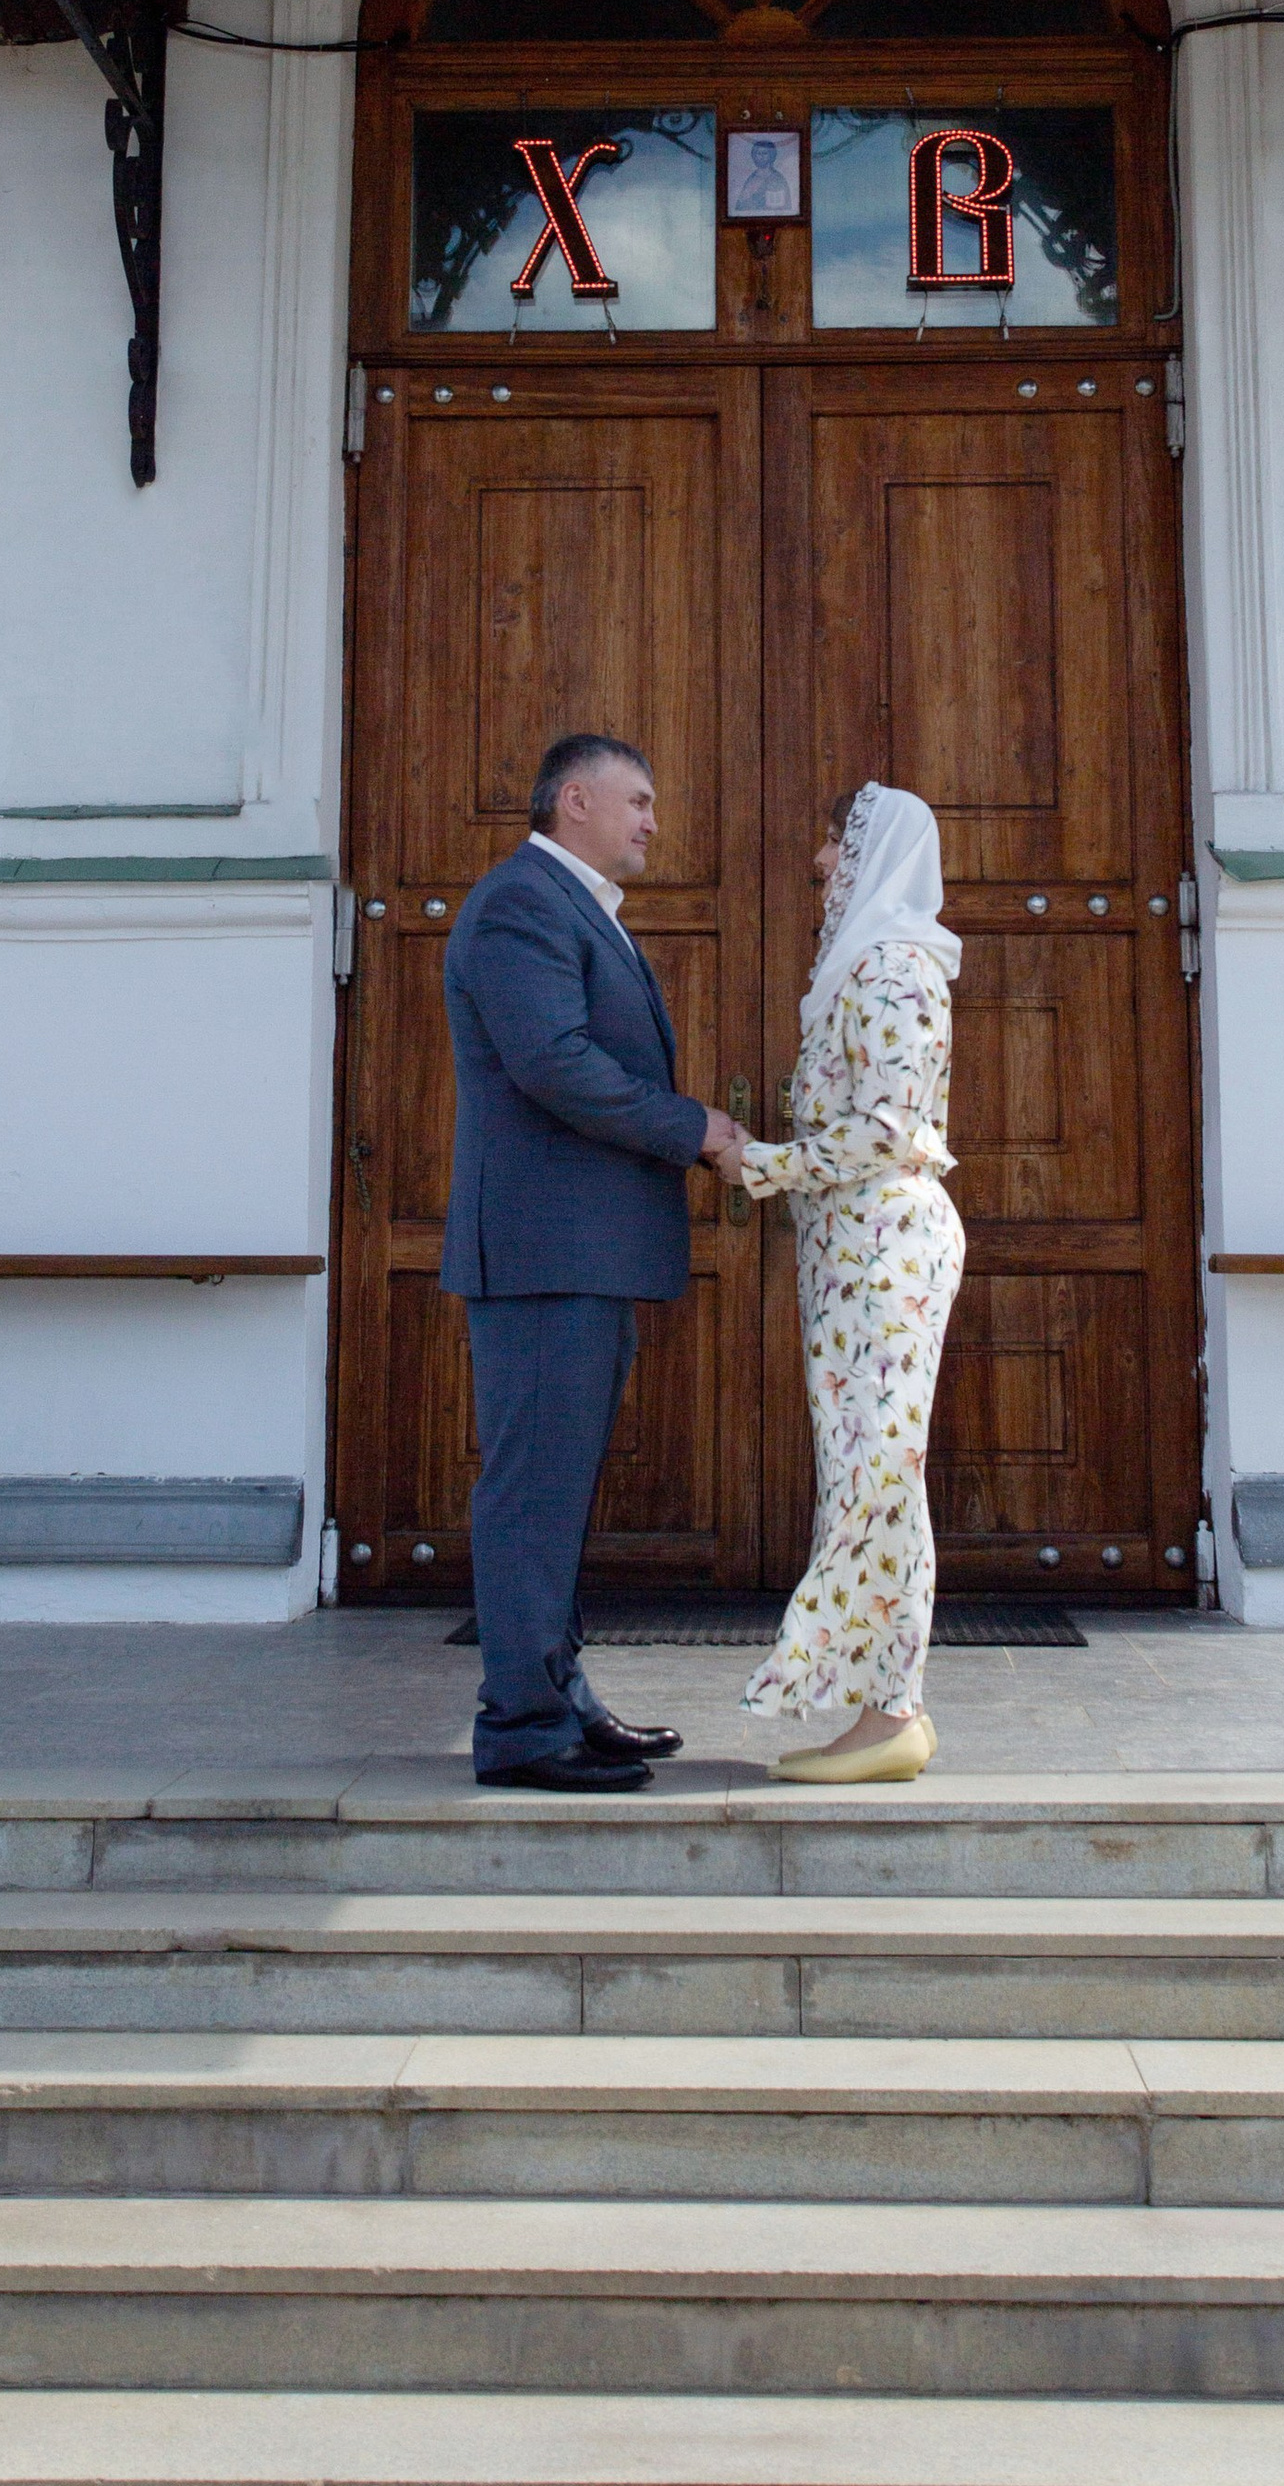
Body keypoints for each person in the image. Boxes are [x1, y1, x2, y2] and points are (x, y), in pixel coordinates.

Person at [442, 728, 747, 1793]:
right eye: (639, 800)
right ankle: (521, 1728)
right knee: (531, 1493)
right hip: (542, 1254)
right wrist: (693, 1127)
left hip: (579, 1254)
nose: (653, 823)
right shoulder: (524, 901)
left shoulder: (569, 908)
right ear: (574, 801)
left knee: (557, 1492)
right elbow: (552, 1063)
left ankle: (560, 1696)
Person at [737, 780, 965, 1786]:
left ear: (873, 852)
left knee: (878, 1472)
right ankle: (885, 1710)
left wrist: (762, 1163)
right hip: (848, 1253)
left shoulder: (892, 969)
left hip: (885, 1249)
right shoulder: (856, 971)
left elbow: (890, 1129)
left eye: (834, 842)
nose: (821, 863)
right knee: (867, 1472)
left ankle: (891, 1711)